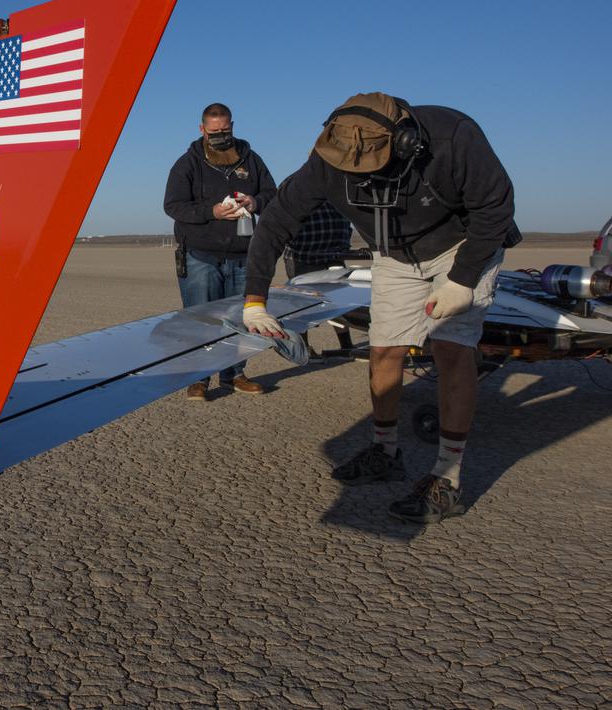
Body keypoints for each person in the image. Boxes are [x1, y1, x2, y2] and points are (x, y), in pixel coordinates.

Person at [240, 92, 520, 523]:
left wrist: (463, 280)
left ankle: (447, 477)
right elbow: (278, 219)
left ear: (406, 142)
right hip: (393, 254)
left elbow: (496, 207)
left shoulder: (453, 137)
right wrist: (255, 300)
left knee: (450, 349)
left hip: (461, 248)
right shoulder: (328, 158)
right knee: (384, 350)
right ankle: (386, 452)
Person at [164, 102, 276, 399]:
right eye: (214, 131)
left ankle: (234, 374)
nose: (220, 135)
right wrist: (212, 211)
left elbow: (272, 194)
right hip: (200, 255)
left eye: (225, 130)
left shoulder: (251, 160)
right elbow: (173, 206)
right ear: (202, 129)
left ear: (232, 126)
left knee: (239, 317)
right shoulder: (187, 163)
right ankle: (199, 378)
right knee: (200, 319)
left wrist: (255, 202)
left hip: (243, 255)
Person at [284, 201, 356, 351]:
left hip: (334, 254)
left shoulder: (337, 190)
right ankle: (304, 348)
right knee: (302, 305)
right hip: (303, 257)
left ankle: (346, 344)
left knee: (339, 303)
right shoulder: (299, 191)